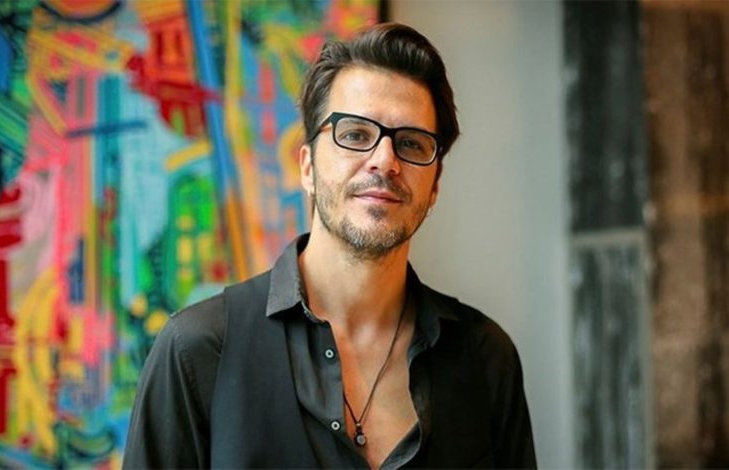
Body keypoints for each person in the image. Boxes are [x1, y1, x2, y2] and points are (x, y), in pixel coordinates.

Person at [122, 22, 536, 469]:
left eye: (411, 143)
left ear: (434, 186)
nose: (385, 161)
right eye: (355, 135)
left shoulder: (485, 359)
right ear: (308, 167)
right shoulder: (197, 351)